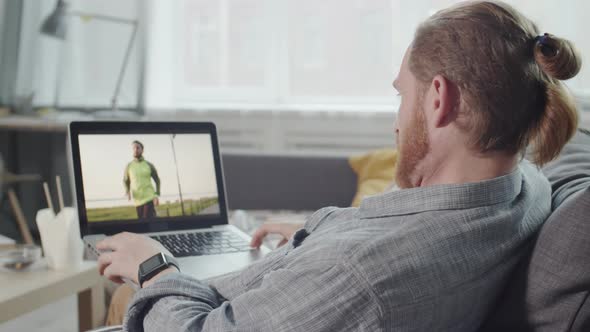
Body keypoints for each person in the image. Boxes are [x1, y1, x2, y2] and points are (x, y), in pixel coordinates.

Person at [97, 1, 582, 331]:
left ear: (439, 99)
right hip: (288, 281)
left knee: (124, 298)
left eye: (401, 96)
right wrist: (321, 232)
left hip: (206, 307)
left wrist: (154, 269)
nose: (396, 122)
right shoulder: (523, 188)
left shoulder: (357, 274)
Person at [123, 140, 161, 219]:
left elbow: (157, 180)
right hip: (137, 200)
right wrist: (127, 191)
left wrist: (157, 195)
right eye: (133, 148)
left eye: (137, 148)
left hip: (149, 198)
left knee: (147, 221)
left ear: (142, 150)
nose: (135, 150)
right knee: (143, 224)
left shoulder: (149, 165)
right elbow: (125, 181)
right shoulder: (129, 166)